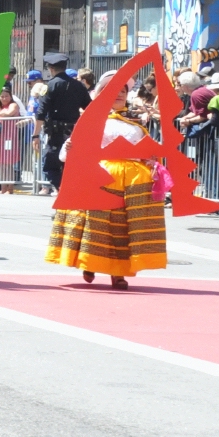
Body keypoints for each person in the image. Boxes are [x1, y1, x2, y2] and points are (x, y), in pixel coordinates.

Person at [45, 72, 168, 288]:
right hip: (99, 176)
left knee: (122, 227)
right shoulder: (91, 120)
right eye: (114, 90)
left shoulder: (135, 123)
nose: (119, 94)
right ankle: (89, 263)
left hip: (131, 184)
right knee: (96, 224)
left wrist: (151, 161)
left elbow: (147, 151)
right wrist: (69, 149)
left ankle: (119, 273)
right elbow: (69, 153)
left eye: (123, 91)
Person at [37, 52, 90, 192]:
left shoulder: (50, 86)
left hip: (56, 135)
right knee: (70, 167)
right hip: (74, 134)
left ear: (51, 68)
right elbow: (89, 109)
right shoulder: (79, 86)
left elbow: (41, 113)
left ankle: (62, 193)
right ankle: (68, 195)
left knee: (51, 166)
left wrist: (35, 135)